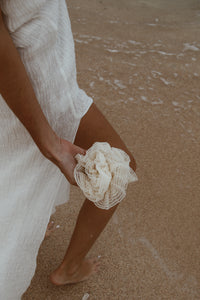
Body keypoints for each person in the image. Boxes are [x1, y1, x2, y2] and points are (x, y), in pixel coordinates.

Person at [0, 0, 137, 298]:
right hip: (45, 93)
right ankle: (69, 268)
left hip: (16, 96)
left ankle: (32, 227)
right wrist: (49, 141)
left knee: (12, 168)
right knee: (118, 168)